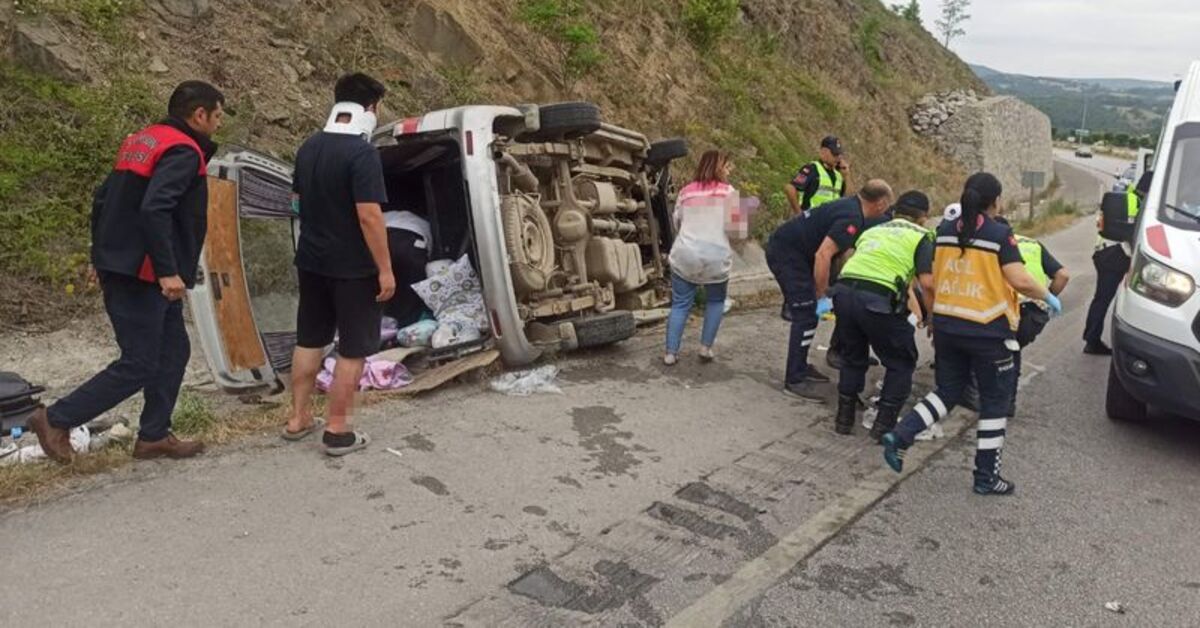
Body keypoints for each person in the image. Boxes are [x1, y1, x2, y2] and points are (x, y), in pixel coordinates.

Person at [29, 81, 225, 463]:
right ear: (199, 114)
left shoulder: (143, 141)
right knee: (139, 362)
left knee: (173, 350)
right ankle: (55, 418)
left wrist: (99, 252)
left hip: (124, 263)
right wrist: (168, 270)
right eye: (217, 116)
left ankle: (153, 435)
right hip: (145, 273)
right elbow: (155, 209)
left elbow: (104, 198)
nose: (218, 124)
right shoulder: (184, 151)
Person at [881, 173, 1063, 496]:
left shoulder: (946, 231)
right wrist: (1046, 296)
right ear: (995, 201)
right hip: (988, 329)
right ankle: (985, 477)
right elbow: (1019, 279)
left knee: (948, 390)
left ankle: (902, 435)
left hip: (949, 325)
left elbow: (935, 277)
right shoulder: (999, 234)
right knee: (995, 401)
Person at [284, 73, 393, 456]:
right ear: (370, 108)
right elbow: (369, 216)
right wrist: (385, 268)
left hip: (312, 261)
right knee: (352, 349)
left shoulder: (308, 148)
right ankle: (337, 430)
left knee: (309, 339)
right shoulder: (362, 154)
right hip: (352, 269)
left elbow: (297, 203)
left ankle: (298, 419)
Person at [767, 180, 895, 402]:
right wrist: (821, 293)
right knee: (806, 314)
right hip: (788, 254)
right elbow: (823, 255)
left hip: (795, 251)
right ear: (881, 203)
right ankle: (795, 379)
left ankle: (800, 365)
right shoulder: (852, 218)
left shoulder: (850, 206)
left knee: (809, 316)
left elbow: (836, 254)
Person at [829, 192, 934, 439]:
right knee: (901, 362)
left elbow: (849, 257)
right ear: (923, 218)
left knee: (853, 356)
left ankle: (843, 420)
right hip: (877, 300)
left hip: (844, 293)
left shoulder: (874, 230)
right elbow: (927, 283)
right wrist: (932, 316)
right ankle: (883, 426)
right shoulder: (922, 236)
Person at [826, 191, 929, 371]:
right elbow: (920, 283)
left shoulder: (875, 224)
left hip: (845, 284)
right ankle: (889, 399)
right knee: (900, 358)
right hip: (878, 293)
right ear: (923, 217)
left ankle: (847, 396)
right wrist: (923, 315)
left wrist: (837, 282)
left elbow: (849, 253)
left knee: (853, 344)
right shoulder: (922, 236)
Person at [664, 151, 746, 365]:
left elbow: (677, 223)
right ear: (720, 168)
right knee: (716, 301)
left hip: (685, 254)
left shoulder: (685, 192)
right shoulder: (730, 193)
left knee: (681, 304)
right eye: (727, 166)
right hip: (716, 256)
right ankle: (705, 348)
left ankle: (671, 353)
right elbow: (738, 231)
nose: (730, 171)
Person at [995, 216, 1070, 416]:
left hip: (1006, 308)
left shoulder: (992, 242)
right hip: (1034, 312)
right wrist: (1048, 297)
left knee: (996, 351)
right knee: (1013, 350)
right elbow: (1062, 275)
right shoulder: (1033, 243)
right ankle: (1008, 403)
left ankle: (994, 401)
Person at [1082, 169, 1150, 355]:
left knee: (1101, 299)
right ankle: (1093, 341)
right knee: (1127, 299)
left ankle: (1091, 338)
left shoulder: (1127, 197)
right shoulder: (1143, 205)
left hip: (1104, 252)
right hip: (1116, 255)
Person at [383, 208, 431, 328]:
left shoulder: (386, 216)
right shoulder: (422, 222)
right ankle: (408, 327)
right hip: (413, 240)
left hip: (382, 239)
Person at [785, 136, 848, 216]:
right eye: (835, 154)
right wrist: (799, 214)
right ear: (823, 152)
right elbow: (790, 188)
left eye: (839, 154)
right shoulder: (812, 169)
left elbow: (846, 199)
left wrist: (846, 176)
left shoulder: (839, 175)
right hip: (811, 221)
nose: (838, 158)